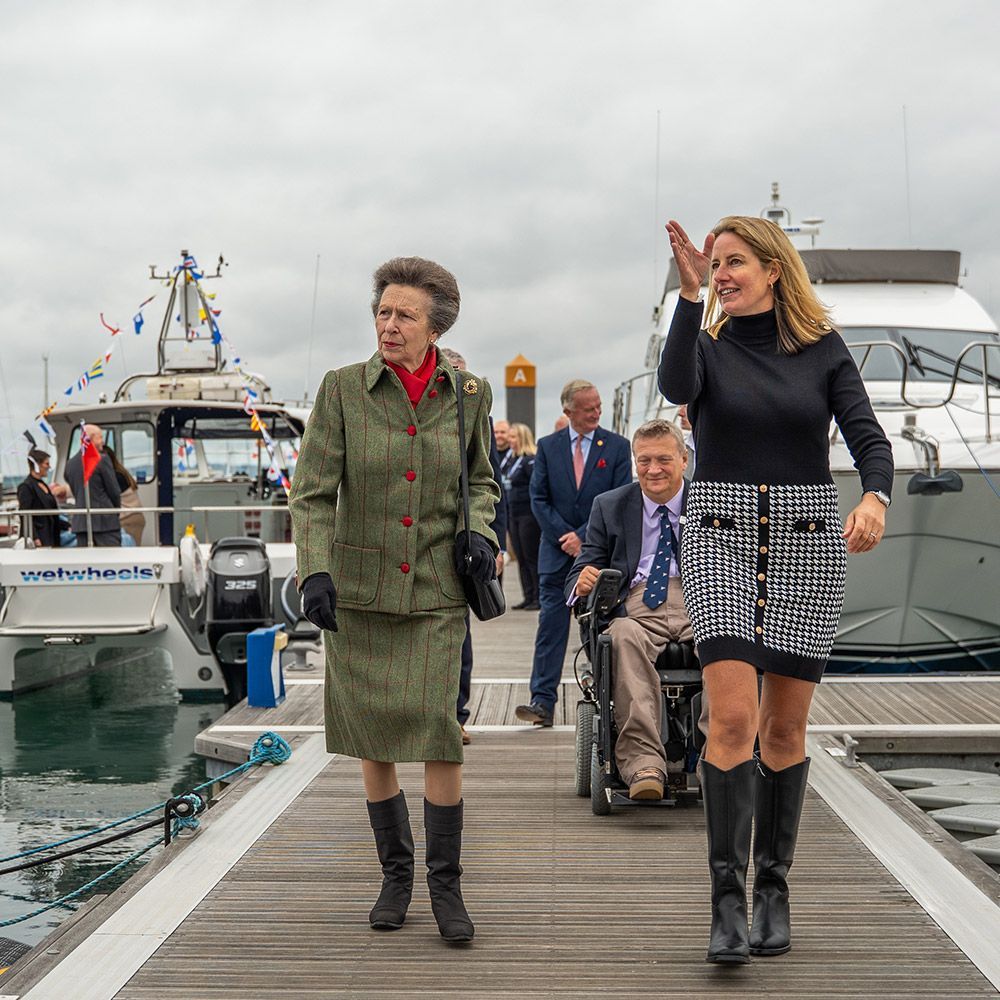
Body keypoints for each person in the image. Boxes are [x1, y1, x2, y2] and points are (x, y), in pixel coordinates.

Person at [660, 216, 893, 963]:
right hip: (720, 537)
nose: (723, 271)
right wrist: (690, 297)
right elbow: (673, 386)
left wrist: (874, 499)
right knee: (731, 720)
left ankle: (773, 889)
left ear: (773, 269)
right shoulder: (707, 344)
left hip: (807, 544)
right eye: (715, 263)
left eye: (734, 262)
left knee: (785, 732)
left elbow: (869, 441)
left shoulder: (823, 351)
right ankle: (725, 906)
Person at [289, 257, 500, 944]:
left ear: (435, 325)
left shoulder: (469, 392)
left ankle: (446, 886)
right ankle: (395, 877)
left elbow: (482, 479)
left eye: (404, 314)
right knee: (373, 739)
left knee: (440, 732)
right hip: (358, 592)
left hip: (437, 589)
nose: (389, 323)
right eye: (383, 312)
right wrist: (313, 572)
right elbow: (312, 493)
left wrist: (479, 530)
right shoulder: (342, 390)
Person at [565, 420, 691, 799]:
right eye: (644, 460)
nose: (653, 470)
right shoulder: (610, 505)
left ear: (684, 460)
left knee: (730, 640)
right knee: (621, 636)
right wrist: (581, 582)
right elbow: (583, 565)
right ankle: (642, 764)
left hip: (700, 596)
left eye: (664, 460)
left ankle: (718, 756)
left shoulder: (709, 502)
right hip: (636, 603)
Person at [514, 380, 631, 727]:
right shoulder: (548, 447)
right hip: (555, 553)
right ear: (568, 411)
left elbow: (621, 495)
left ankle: (608, 698)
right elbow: (539, 499)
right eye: (588, 408)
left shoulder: (617, 447)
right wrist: (564, 535)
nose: (596, 412)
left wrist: (584, 538)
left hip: (600, 557)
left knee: (601, 627)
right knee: (550, 627)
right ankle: (542, 702)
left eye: (598, 405)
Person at [439, 346, 508, 746]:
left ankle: (457, 715)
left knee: (461, 633)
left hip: (467, 540)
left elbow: (491, 483)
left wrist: (495, 541)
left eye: (465, 374)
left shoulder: (480, 418)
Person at [63, 423, 122, 547]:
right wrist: (114, 511)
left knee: (86, 564)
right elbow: (114, 491)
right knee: (111, 562)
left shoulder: (70, 464)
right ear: (90, 439)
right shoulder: (103, 459)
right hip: (106, 523)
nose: (103, 442)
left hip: (81, 524)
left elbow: (76, 491)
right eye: (100, 437)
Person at [506, 422, 541, 610]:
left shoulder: (529, 460)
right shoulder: (512, 460)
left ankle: (538, 596)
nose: (510, 441)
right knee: (520, 556)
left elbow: (535, 487)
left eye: (513, 437)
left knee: (531, 556)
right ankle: (527, 595)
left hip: (528, 514)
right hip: (514, 512)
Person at [17, 450, 62, 548]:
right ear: (37, 465)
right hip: (39, 537)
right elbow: (25, 514)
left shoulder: (42, 484)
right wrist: (34, 537)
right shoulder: (26, 487)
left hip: (51, 535)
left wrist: (66, 526)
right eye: (46, 463)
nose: (49, 467)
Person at [105, 445, 145, 546]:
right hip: (134, 518)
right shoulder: (119, 473)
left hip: (128, 520)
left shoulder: (115, 477)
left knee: (130, 555)